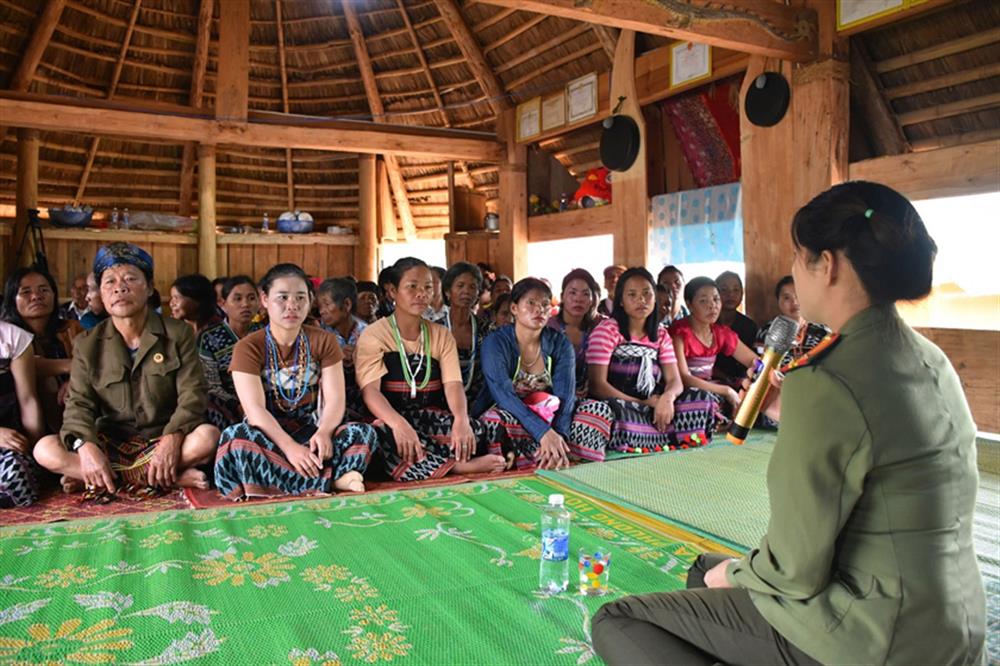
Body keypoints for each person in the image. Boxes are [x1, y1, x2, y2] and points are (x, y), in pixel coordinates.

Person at [594, 181, 987, 666]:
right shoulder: (931, 358)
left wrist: (738, 576)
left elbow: (793, 570)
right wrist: (790, 412)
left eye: (799, 258)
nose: (796, 274)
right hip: (952, 625)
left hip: (875, 636)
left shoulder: (829, 377)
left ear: (830, 264)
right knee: (704, 571)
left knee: (620, 619)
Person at [33, 243, 219, 497]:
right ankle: (163, 477)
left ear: (150, 287)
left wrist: (172, 439)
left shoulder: (178, 334)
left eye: (130, 279)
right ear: (101, 292)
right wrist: (86, 448)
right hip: (110, 444)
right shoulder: (87, 344)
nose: (119, 287)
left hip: (160, 439)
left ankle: (100, 479)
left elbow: (193, 395)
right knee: (44, 449)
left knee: (208, 436)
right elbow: (79, 405)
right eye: (109, 282)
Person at [214, 264, 379, 500]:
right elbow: (255, 410)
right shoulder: (248, 347)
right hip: (270, 436)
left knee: (363, 433)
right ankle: (331, 480)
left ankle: (282, 481)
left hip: (313, 432)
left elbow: (335, 399)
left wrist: (324, 432)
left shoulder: (325, 341)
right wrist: (290, 448)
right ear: (265, 299)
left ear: (310, 300)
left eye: (300, 297)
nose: (292, 305)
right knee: (236, 439)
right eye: (282, 297)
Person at [355, 257, 504, 482]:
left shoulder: (441, 334)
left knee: (474, 430)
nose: (421, 294)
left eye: (427, 287)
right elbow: (371, 392)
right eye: (412, 287)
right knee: (380, 436)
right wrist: (398, 424)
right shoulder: (374, 334)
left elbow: (453, 384)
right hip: (388, 417)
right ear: (392, 292)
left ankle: (431, 463)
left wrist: (461, 419)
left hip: (427, 416)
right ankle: (454, 468)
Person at [474, 278, 612, 469]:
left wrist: (558, 435)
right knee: (494, 421)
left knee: (597, 410)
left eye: (545, 305)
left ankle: (557, 454)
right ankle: (544, 458)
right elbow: (502, 394)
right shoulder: (496, 342)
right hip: (513, 412)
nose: (539, 310)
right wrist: (543, 433)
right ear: (514, 308)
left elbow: (565, 394)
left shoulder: (559, 343)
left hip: (551, 413)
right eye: (531, 303)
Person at [586, 268, 690, 455]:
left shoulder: (660, 334)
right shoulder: (607, 330)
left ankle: (650, 433)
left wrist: (667, 399)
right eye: (632, 295)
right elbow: (597, 385)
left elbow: (675, 381)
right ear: (621, 301)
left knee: (699, 398)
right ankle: (658, 435)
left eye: (646, 294)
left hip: (655, 407)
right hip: (620, 406)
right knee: (595, 412)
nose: (641, 300)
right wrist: (641, 403)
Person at [669, 277, 759, 440]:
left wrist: (760, 377)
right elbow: (683, 378)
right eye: (703, 301)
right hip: (686, 391)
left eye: (716, 299)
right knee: (701, 399)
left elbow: (754, 361)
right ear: (689, 304)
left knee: (750, 393)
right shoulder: (680, 333)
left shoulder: (720, 332)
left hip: (713, 387)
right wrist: (726, 391)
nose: (712, 306)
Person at [1, 266, 84, 433]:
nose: (36, 297)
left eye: (44, 290)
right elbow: (28, 367)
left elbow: (94, 363)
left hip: (74, 407)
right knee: (48, 382)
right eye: (25, 292)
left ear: (54, 295)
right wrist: (70, 365)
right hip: (20, 418)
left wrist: (74, 381)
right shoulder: (8, 338)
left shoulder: (71, 329)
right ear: (12, 299)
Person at [197, 275, 260, 429]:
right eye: (237, 299)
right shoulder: (209, 337)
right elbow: (211, 384)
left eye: (251, 298)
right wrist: (237, 404)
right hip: (225, 402)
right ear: (223, 304)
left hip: (261, 399)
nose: (245, 304)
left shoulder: (265, 334)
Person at [1, 320, 45, 507]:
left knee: (16, 474)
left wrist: (37, 454)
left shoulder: (12, 336)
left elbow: (28, 401)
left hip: (7, 444)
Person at [431, 262, 488, 403]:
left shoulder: (487, 329)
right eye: (460, 286)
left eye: (472, 287)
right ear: (448, 291)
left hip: (479, 401)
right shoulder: (436, 330)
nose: (467, 291)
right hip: (441, 400)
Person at [547, 268, 605, 397]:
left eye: (585, 294)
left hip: (594, 395)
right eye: (572, 293)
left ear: (592, 300)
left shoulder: (602, 327)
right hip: (553, 394)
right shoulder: (548, 327)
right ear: (562, 297)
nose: (578, 299)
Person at [317, 277, 368, 419]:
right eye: (320, 306)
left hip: (364, 397)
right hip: (330, 402)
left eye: (326, 304)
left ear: (347, 304)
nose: (322, 311)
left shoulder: (368, 332)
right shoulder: (320, 333)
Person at [757, 275, 832, 367]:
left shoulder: (824, 332)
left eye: (799, 296)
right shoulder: (766, 332)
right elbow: (759, 364)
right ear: (778, 301)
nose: (795, 302)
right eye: (787, 298)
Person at [714, 271, 758, 387]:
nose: (730, 294)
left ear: (742, 294)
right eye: (724, 290)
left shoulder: (749, 326)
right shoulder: (708, 324)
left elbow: (755, 362)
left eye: (736, 290)